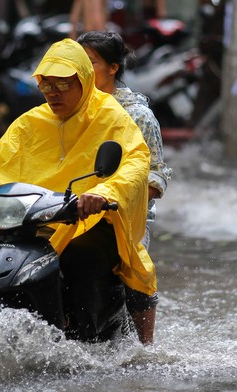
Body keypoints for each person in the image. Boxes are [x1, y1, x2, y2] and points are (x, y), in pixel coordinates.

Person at [0, 38, 156, 342]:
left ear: (84, 81)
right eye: (46, 85)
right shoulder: (31, 122)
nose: (52, 93)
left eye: (62, 84)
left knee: (81, 257)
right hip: (34, 220)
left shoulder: (114, 118)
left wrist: (105, 193)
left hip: (90, 220)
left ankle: (95, 341)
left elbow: (136, 163)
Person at [77, 31, 172, 344]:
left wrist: (122, 199)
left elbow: (156, 174)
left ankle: (145, 348)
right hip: (70, 207)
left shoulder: (137, 115)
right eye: (79, 63)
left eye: (91, 63)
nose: (84, 71)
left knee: (134, 265)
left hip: (123, 214)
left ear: (113, 68)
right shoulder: (68, 109)